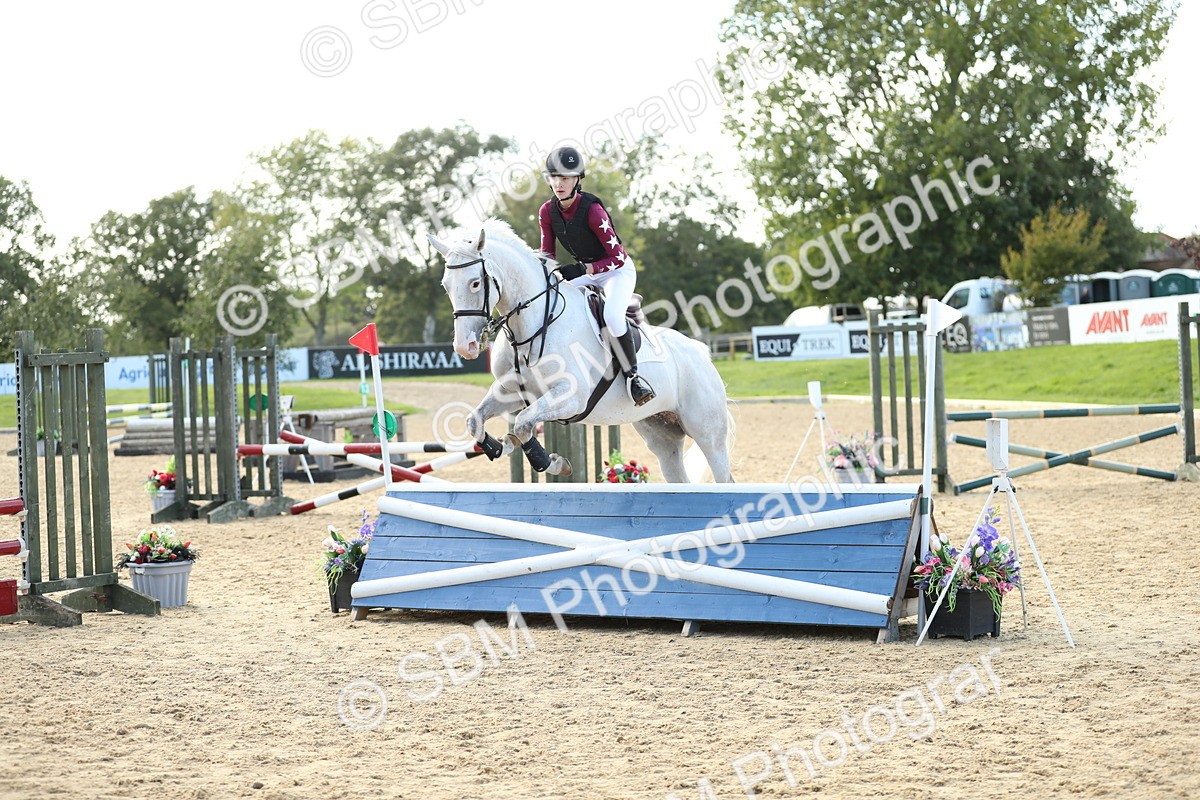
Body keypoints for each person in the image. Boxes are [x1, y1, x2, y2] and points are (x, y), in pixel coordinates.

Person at [538, 146, 656, 406]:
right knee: (551, 298)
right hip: (589, 272)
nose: (559, 184)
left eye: (565, 178)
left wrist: (584, 269)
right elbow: (547, 254)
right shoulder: (547, 211)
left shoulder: (592, 210)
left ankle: (633, 378)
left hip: (616, 271)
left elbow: (617, 257)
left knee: (612, 315)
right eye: (554, 177)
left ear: (577, 179)